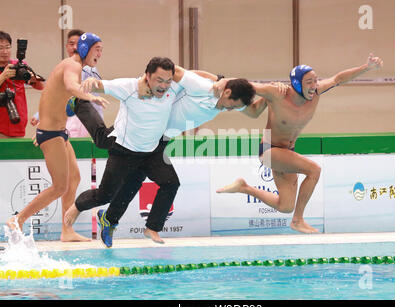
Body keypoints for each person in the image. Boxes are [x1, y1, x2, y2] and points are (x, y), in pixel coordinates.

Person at [64, 60, 257, 248]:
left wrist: (276, 92)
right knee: (104, 149)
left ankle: (123, 222)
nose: (229, 109)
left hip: (159, 139)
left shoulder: (220, 96)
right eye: (230, 105)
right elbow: (180, 71)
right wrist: (219, 79)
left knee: (145, 182)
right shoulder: (202, 88)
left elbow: (254, 108)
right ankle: (80, 103)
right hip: (134, 136)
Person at [217, 53, 384, 234]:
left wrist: (366, 67)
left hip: (287, 151)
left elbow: (338, 78)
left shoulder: (317, 91)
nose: (314, 86)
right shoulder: (277, 93)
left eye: (315, 80)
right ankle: (298, 220)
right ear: (297, 84)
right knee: (314, 170)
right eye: (309, 82)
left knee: (285, 206)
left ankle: (244, 187)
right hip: (269, 150)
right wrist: (220, 81)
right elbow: (245, 85)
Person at [6, 32, 109, 234]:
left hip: (60, 132)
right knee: (60, 186)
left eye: (102, 50)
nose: (100, 53)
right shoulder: (73, 66)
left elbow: (57, 96)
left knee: (74, 179)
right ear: (85, 48)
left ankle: (67, 231)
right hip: (51, 134)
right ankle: (18, 219)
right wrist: (91, 97)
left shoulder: (74, 65)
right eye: (97, 49)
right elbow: (71, 86)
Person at [0, 31, 44, 138]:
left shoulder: (19, 66)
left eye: (8, 47)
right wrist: (3, 76)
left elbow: (40, 87)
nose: (5, 51)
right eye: (1, 48)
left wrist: (33, 78)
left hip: (18, 125)